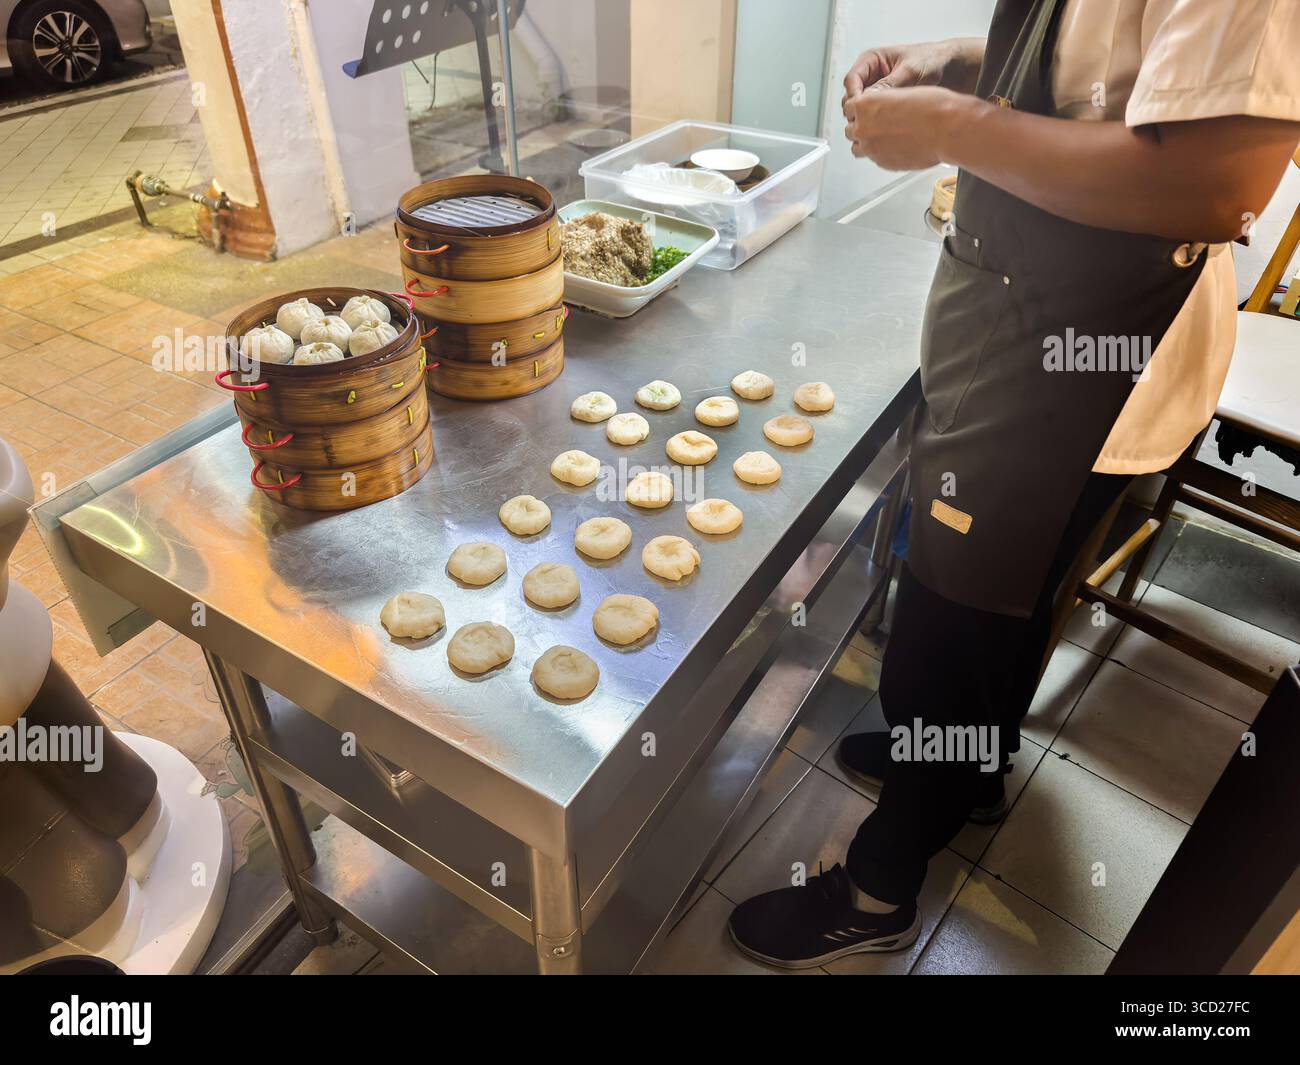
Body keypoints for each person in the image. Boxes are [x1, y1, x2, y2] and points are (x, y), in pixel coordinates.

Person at [728, 0, 1300, 968]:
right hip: (1020, 311)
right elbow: (1091, 71)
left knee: (954, 620)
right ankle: (965, 773)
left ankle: (878, 887)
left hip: (1094, 349)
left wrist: (957, 131)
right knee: (998, 593)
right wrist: (953, 65)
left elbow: (1221, 185)